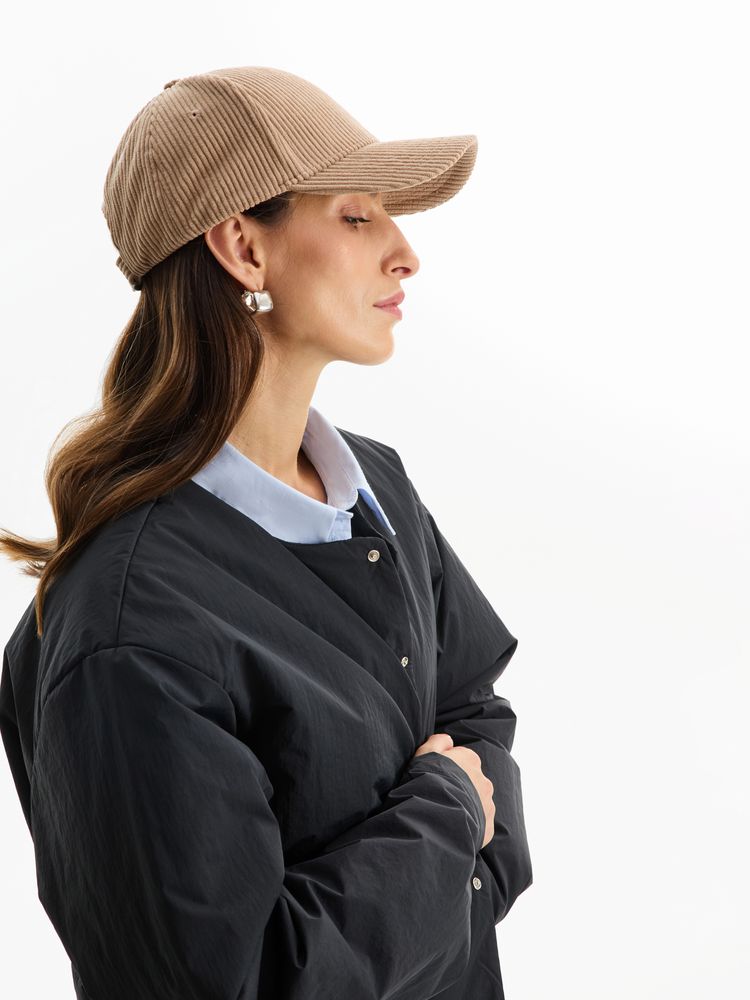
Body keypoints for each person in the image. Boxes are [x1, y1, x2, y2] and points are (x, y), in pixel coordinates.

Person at [0, 66, 532, 1000]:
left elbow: (474, 708)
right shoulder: (131, 628)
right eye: (359, 216)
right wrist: (449, 819)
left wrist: (463, 863)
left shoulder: (378, 490)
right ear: (244, 248)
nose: (406, 254)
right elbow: (235, 980)